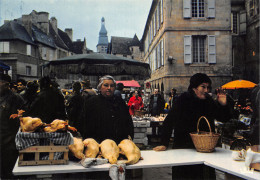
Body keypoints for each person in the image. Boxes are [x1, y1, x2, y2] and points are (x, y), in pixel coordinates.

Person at [153, 73, 233, 180]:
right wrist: (164, 143)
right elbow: (169, 121)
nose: (206, 90)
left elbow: (223, 118)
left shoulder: (208, 100)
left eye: (208, 87)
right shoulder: (183, 99)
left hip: (205, 149)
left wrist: (223, 105)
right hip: (184, 149)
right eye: (203, 87)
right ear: (194, 87)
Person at [78, 75, 134, 144]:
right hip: (96, 143)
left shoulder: (120, 102)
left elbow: (128, 121)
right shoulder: (91, 102)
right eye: (106, 85)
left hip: (117, 144)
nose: (109, 88)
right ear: (100, 87)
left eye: (112, 86)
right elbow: (82, 122)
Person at [0, 74, 24, 179]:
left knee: (9, 170)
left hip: (9, 141)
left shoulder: (15, 98)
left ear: (6, 84)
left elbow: (22, 117)